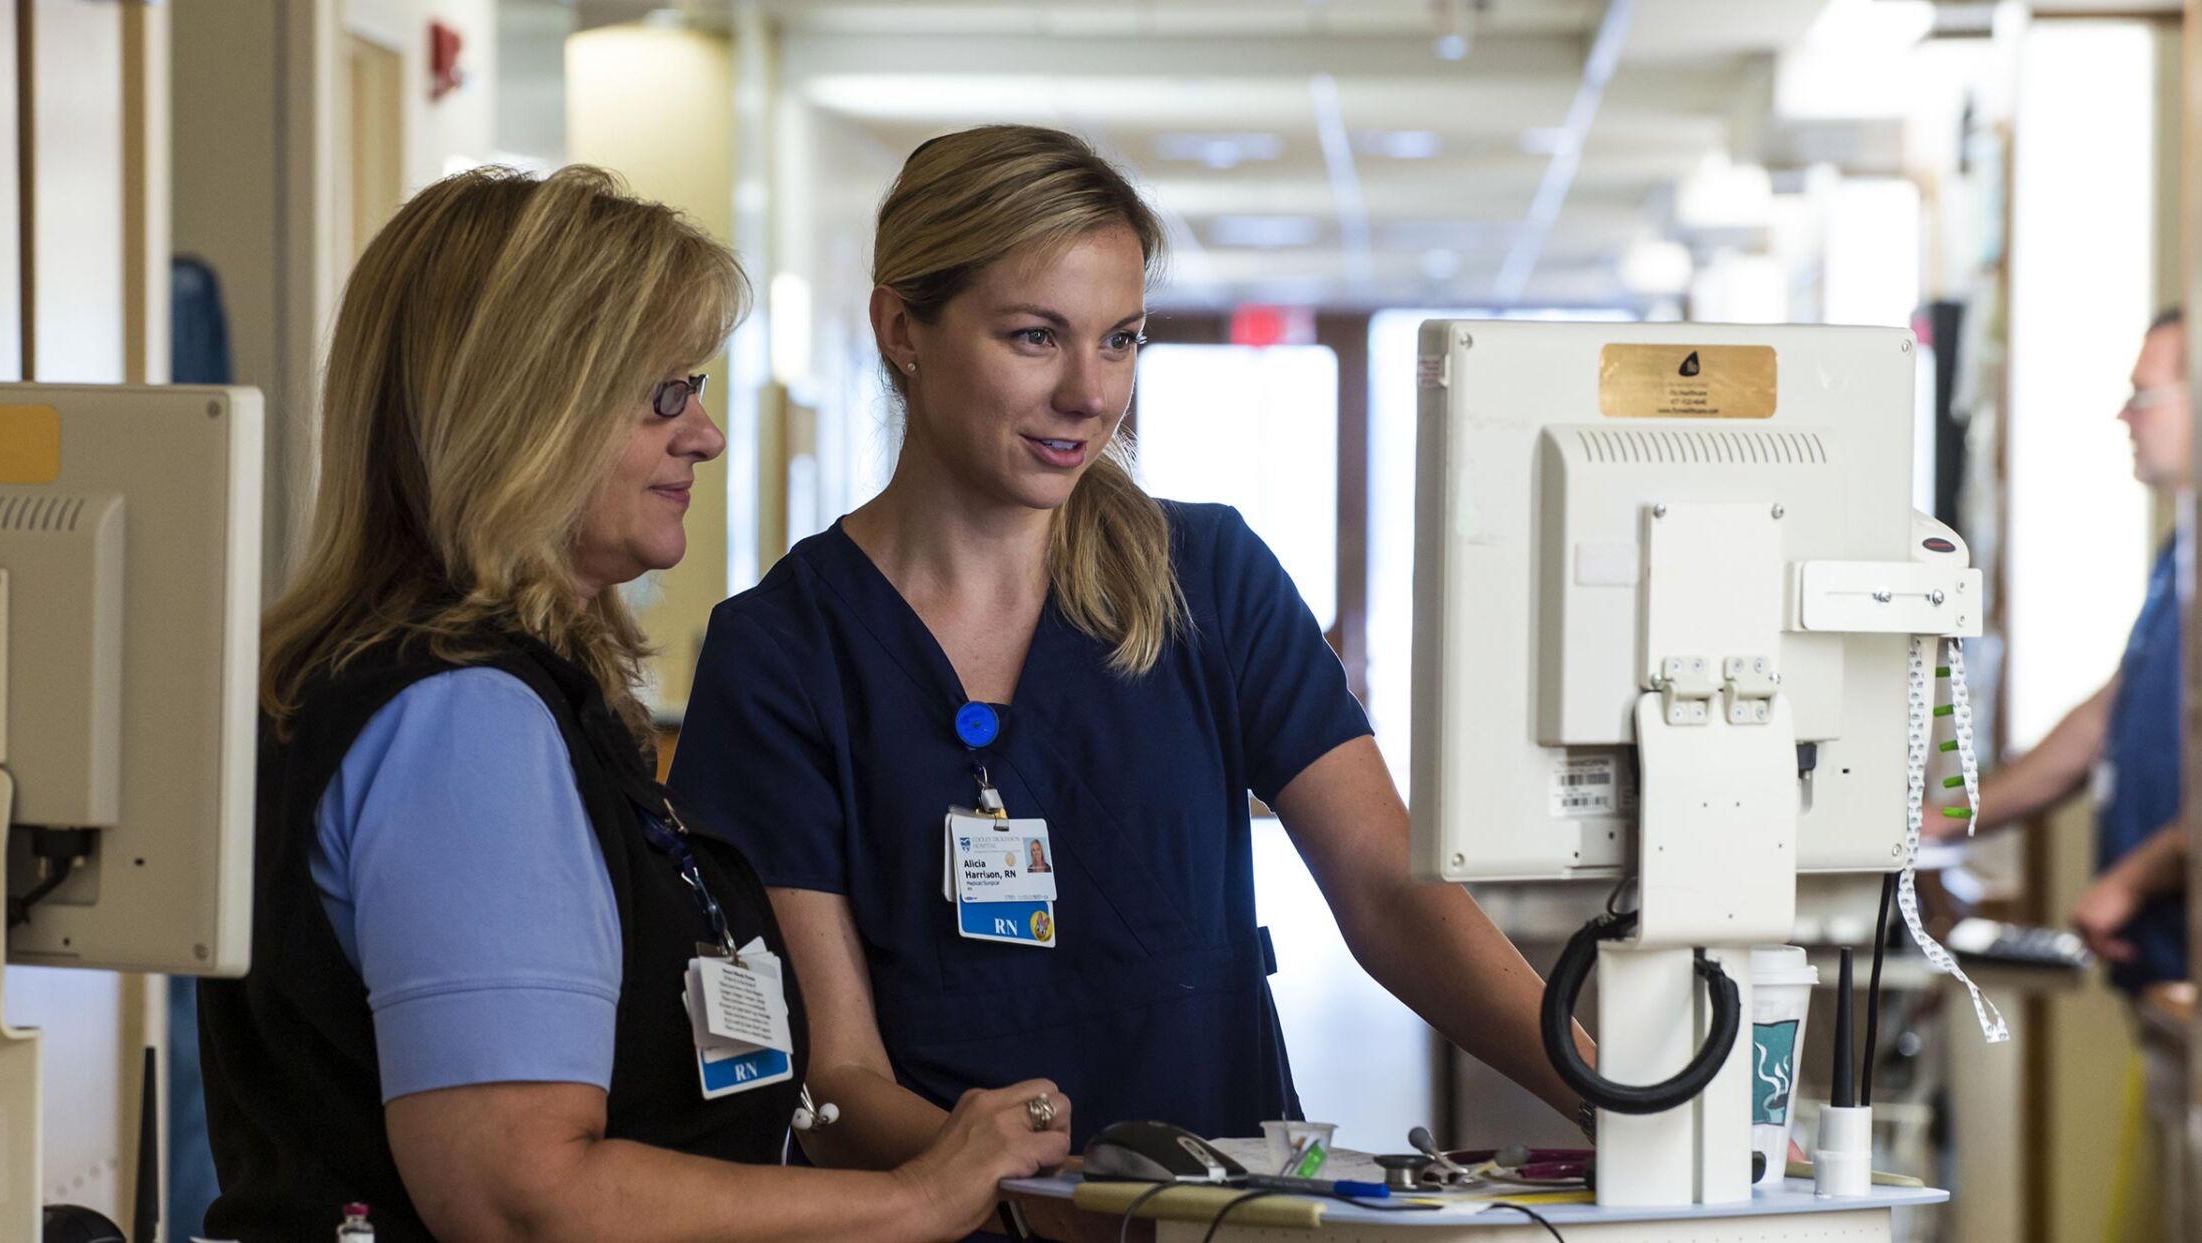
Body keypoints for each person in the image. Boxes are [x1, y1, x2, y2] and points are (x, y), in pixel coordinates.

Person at [668, 126, 1593, 1237]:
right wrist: (1057, 1198)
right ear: (900, 329)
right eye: (1033, 337)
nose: (1087, 394)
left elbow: (1390, 895)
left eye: (1120, 340)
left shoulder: (1208, 580)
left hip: (1231, 1220)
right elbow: (836, 1080)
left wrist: (1617, 1097)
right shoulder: (782, 653)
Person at [196, 165, 1069, 1242]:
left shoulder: (502, 694)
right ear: (528, 409)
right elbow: (523, 1195)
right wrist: (918, 1198)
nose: (702, 434)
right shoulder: (461, 722)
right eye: (665, 393)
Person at [1929, 305, 2189, 1228]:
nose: (2127, 416)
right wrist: (1954, 816)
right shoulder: (2179, 557)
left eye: (2144, 394)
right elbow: (2113, 712)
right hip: (2161, 981)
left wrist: (2130, 878)